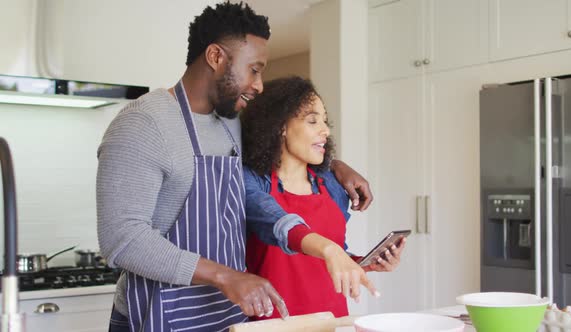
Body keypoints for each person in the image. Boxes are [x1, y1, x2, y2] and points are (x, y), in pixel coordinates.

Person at [96, 2, 374, 332]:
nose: (258, 84)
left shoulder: (231, 123)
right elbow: (123, 240)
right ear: (215, 57)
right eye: (254, 69)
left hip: (224, 314)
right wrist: (226, 276)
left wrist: (336, 167)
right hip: (158, 314)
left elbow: (277, 152)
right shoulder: (144, 123)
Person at [241, 76, 406, 319]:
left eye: (325, 122)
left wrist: (362, 263)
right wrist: (329, 250)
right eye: (312, 120)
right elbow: (278, 223)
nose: (325, 131)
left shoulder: (332, 185)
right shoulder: (252, 181)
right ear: (280, 126)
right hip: (273, 325)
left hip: (332, 321)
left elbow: (332, 255)